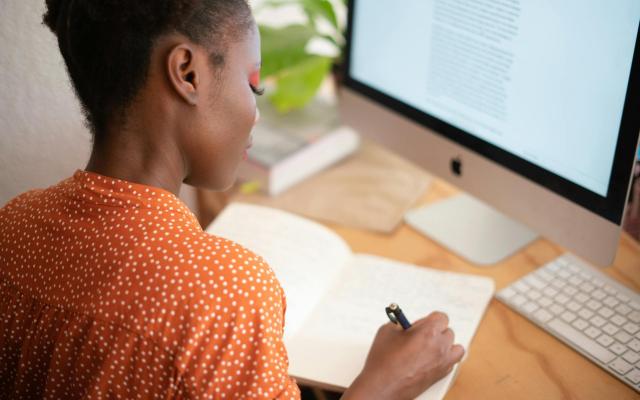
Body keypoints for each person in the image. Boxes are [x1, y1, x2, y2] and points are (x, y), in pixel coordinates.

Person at [0, 1, 464, 399]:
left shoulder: (13, 226)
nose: (256, 112)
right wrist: (385, 383)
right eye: (253, 84)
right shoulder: (225, 295)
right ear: (187, 73)